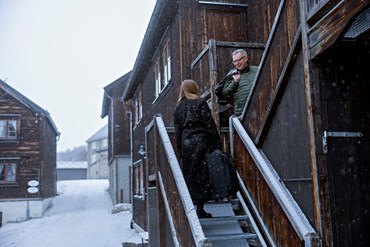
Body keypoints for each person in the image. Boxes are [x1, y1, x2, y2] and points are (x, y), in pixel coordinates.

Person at [173, 79, 221, 218]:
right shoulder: (200, 103)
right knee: (202, 174)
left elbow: (177, 131)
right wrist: (216, 143)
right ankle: (200, 207)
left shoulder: (178, 107)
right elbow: (209, 124)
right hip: (201, 141)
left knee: (190, 174)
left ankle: (191, 207)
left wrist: (180, 150)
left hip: (186, 142)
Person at [221, 49, 258, 116]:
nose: (237, 63)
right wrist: (235, 82)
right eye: (235, 61)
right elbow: (225, 94)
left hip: (260, 106)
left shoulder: (257, 70)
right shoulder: (231, 74)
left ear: (245, 58)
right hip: (242, 112)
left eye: (239, 60)